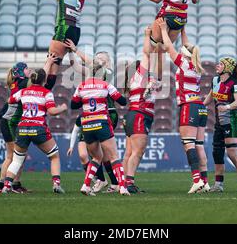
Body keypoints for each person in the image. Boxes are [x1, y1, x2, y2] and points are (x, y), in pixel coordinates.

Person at [126, 0, 201, 79]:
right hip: (181, 19)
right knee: (161, 52)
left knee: (149, 51)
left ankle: (141, 78)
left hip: (167, 16)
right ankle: (158, 81)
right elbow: (195, 0)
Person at [159, 19, 209, 194]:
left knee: (188, 144)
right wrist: (182, 29)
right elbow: (186, 44)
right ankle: (205, 181)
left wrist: (164, 30)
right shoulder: (194, 64)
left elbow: (167, 47)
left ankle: (196, 180)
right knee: (199, 145)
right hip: (201, 106)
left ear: (185, 53)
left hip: (189, 106)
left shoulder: (184, 63)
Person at [2, 68, 68, 194]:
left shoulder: (23, 92)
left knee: (17, 160)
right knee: (54, 156)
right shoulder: (46, 93)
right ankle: (56, 184)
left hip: (23, 129)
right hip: (38, 128)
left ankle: (6, 185)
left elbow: (10, 100)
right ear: (44, 80)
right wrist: (62, 108)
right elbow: (52, 111)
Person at [65, 41, 120, 193]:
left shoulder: (107, 72)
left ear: (108, 62)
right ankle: (105, 181)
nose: (97, 60)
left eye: (100, 58)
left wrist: (76, 49)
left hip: (107, 113)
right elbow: (76, 67)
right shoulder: (92, 72)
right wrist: (70, 52)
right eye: (96, 58)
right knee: (95, 152)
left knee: (105, 153)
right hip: (92, 115)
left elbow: (89, 62)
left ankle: (113, 182)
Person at [71, 60, 130, 196]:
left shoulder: (81, 86)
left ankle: (86, 185)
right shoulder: (105, 85)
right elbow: (122, 101)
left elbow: (73, 105)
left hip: (87, 125)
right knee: (114, 156)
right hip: (102, 122)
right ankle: (122, 187)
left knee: (96, 157)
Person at [203, 57, 237, 193]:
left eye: (220, 64)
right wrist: (200, 106)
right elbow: (210, 96)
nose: (217, 66)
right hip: (219, 123)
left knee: (232, 153)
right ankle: (218, 185)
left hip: (232, 122)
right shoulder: (215, 81)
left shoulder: (234, 84)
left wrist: (227, 107)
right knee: (217, 153)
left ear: (228, 68)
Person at [122, 26, 160, 194]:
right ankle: (129, 183)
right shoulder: (140, 75)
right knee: (138, 151)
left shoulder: (134, 81)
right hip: (140, 114)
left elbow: (155, 76)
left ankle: (124, 182)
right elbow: (146, 54)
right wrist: (147, 36)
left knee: (129, 153)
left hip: (133, 114)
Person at [44, 0, 86, 90]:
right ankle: (46, 93)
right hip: (76, 31)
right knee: (56, 61)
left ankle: (44, 93)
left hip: (64, 27)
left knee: (52, 63)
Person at [0, 62, 31, 193]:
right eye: (27, 69)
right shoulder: (23, 82)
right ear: (22, 72)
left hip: (7, 122)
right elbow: (38, 81)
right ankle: (8, 185)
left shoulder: (17, 82)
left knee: (13, 156)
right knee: (14, 156)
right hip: (9, 123)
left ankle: (11, 184)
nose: (29, 70)